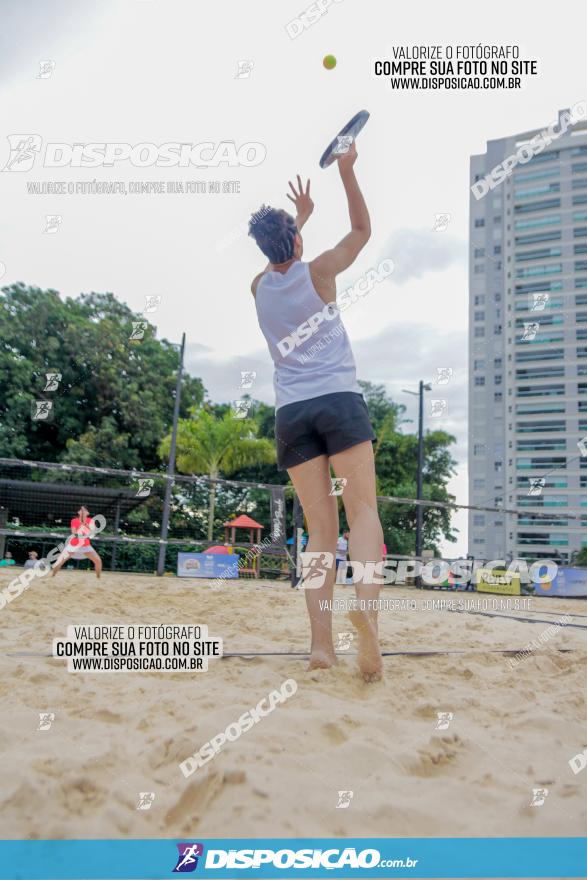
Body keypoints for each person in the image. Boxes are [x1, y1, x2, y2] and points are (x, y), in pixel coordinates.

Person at [249, 141, 384, 682]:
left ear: (263, 247)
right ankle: (369, 617)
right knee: (365, 514)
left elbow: (277, 257)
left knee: (320, 534)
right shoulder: (321, 270)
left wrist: (294, 223)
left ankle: (321, 647)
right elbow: (362, 232)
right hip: (338, 401)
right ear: (300, 240)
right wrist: (348, 172)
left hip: (292, 414)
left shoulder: (257, 288)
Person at [51, 506, 102, 578]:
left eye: (84, 510)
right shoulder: (74, 521)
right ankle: (53, 576)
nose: (83, 511)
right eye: (81, 510)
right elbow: (74, 533)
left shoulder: (91, 521)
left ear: (88, 513)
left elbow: (92, 533)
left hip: (85, 546)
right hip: (73, 545)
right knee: (59, 561)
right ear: (78, 512)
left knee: (98, 561)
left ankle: (98, 578)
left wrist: (87, 527)